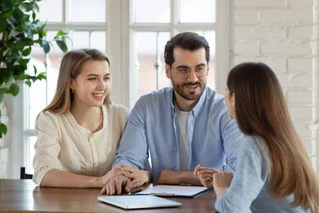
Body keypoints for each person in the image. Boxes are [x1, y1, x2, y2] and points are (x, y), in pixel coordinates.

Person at [102, 32, 248, 195]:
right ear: (167, 70)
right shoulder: (147, 106)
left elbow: (241, 169)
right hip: (160, 203)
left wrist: (172, 177)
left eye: (200, 69)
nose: (193, 78)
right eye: (183, 70)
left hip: (212, 202)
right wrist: (122, 177)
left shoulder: (224, 109)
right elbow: (128, 158)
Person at [195, 62, 319, 213]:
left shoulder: (254, 145)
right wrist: (231, 182)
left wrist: (222, 190)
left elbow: (232, 209)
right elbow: (265, 187)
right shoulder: (281, 140)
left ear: (235, 98)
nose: (224, 98)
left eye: (227, 90)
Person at [33, 48, 130, 188]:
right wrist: (99, 181)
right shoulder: (50, 120)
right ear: (71, 82)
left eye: (106, 78)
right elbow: (43, 172)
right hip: (65, 205)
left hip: (113, 205)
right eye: (92, 78)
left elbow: (140, 167)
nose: (102, 86)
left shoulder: (122, 116)